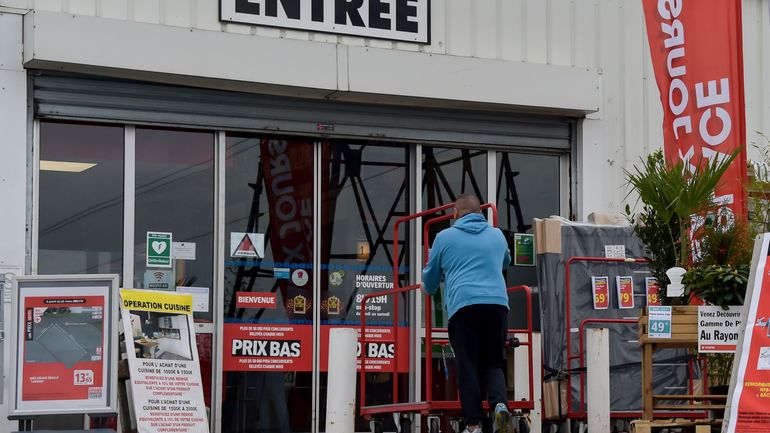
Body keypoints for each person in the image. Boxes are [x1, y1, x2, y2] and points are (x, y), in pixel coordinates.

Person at [422, 194, 513, 433]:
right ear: (480, 214)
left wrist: (426, 286)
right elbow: (505, 262)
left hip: (464, 306)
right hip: (497, 304)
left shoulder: (444, 237)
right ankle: (500, 406)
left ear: (455, 214)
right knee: (493, 362)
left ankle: (473, 424)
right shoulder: (497, 235)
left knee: (467, 365)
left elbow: (430, 281)